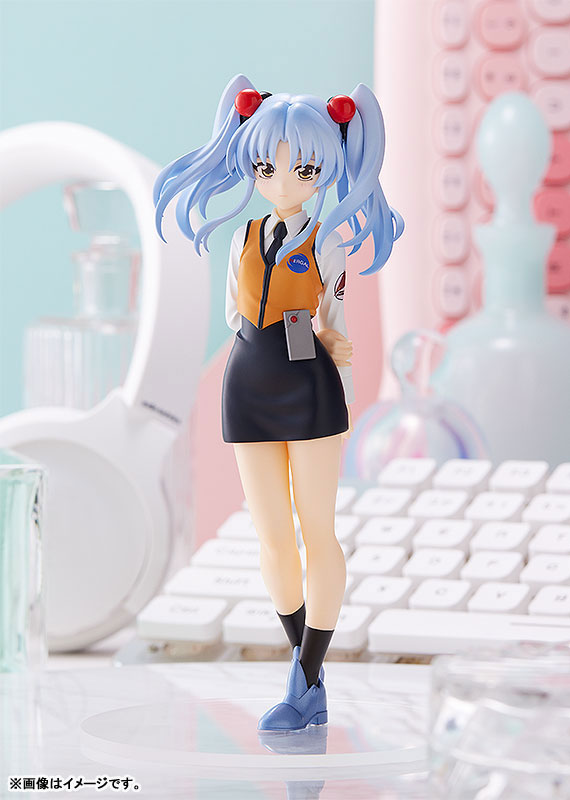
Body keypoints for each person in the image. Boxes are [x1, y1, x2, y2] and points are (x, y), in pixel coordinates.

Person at [154, 74, 403, 731]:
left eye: (304, 168)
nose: (284, 180)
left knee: (316, 528)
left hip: (309, 385)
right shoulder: (243, 237)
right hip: (247, 382)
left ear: (325, 170)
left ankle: (307, 674)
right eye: (267, 166)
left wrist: (342, 374)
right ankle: (305, 668)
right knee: (269, 534)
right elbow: (234, 314)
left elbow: (336, 320)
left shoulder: (328, 239)